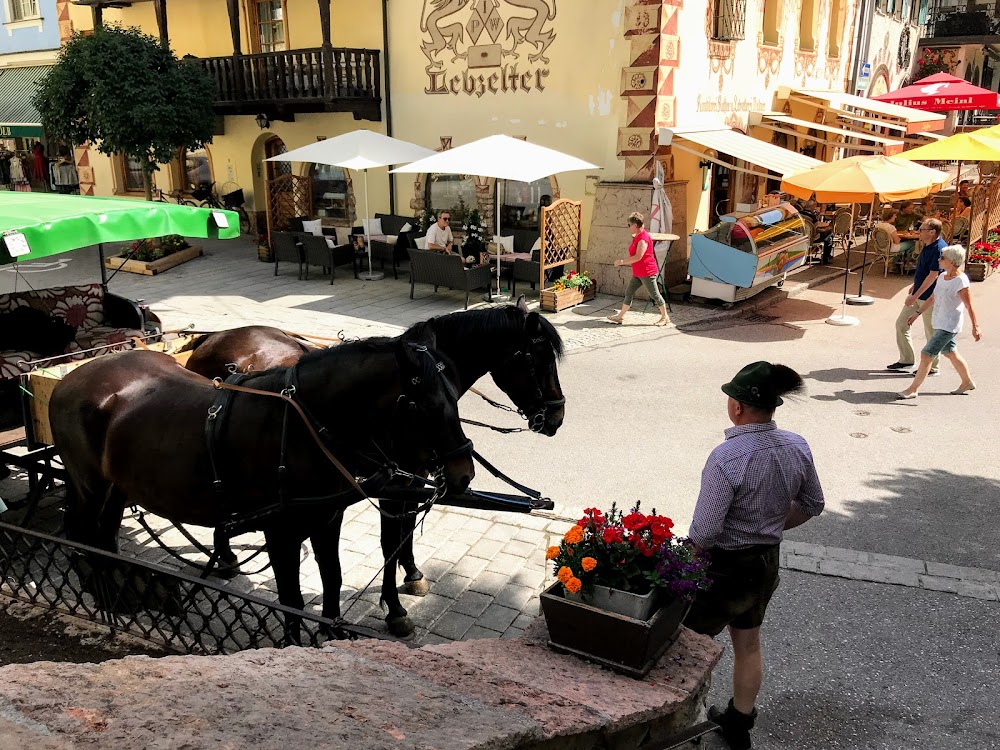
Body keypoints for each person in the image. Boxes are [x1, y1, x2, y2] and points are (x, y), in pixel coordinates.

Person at [685, 361, 825, 750]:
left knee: (687, 645)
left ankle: (682, 720)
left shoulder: (727, 457)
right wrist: (773, 528)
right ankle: (738, 724)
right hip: (765, 563)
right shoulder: (797, 445)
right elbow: (813, 503)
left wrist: (685, 565)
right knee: (748, 644)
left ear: (737, 407)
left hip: (725, 569)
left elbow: (705, 532)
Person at [898, 245, 982, 399]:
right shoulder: (942, 277)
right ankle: (967, 382)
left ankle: (913, 389)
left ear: (952, 261)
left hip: (949, 325)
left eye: (942, 258)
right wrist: (917, 313)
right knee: (950, 352)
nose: (939, 260)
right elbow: (932, 298)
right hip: (938, 321)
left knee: (926, 354)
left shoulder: (961, 281)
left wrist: (975, 327)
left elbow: (969, 306)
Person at [887, 218, 946, 375]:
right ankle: (906, 360)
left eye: (922, 229)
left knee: (931, 332)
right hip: (920, 293)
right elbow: (924, 272)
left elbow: (933, 275)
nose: (919, 232)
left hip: (930, 297)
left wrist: (915, 295)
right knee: (901, 324)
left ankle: (933, 368)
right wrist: (915, 286)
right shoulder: (928, 246)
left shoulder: (939, 249)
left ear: (932, 232)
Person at [607, 212, 669, 326]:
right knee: (629, 292)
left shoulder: (643, 238)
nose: (628, 227)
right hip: (639, 272)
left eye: (629, 225)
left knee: (654, 295)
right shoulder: (638, 236)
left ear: (635, 225)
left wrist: (621, 262)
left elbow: (638, 257)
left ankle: (665, 317)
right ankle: (620, 317)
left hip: (647, 272)